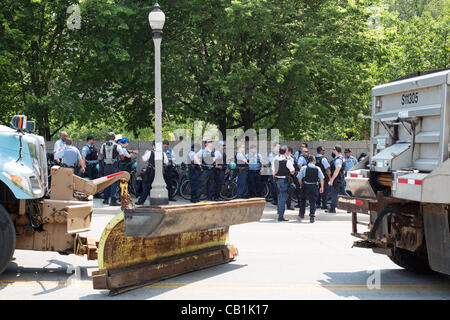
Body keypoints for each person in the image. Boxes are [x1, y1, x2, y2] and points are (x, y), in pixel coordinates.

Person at [99, 132, 125, 206]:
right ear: (114, 138)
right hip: (114, 165)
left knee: (107, 182)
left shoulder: (103, 145)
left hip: (106, 166)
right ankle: (113, 200)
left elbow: (101, 154)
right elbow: (122, 156)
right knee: (115, 182)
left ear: (108, 137)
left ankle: (106, 199)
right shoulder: (117, 146)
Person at [297, 155, 325, 223]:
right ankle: (312, 216)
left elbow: (299, 177)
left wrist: (301, 184)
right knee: (313, 202)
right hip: (314, 186)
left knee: (303, 200)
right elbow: (322, 179)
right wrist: (322, 187)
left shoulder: (304, 168)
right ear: (314, 161)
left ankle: (301, 214)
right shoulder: (317, 168)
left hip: (306, 186)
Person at [271, 145, 295, 221]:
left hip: (277, 180)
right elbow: (292, 171)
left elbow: (273, 171)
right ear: (285, 152)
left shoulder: (275, 159)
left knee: (279, 196)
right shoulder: (287, 161)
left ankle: (279, 211)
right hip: (284, 180)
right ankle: (281, 216)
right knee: (283, 198)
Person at [328, 145, 347, 213]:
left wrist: (332, 179)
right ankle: (351, 207)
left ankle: (332, 209)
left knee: (334, 194)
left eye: (333, 149)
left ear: (336, 150)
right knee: (343, 193)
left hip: (337, 179)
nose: (332, 151)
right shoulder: (340, 157)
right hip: (340, 178)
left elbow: (337, 169)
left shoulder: (338, 159)